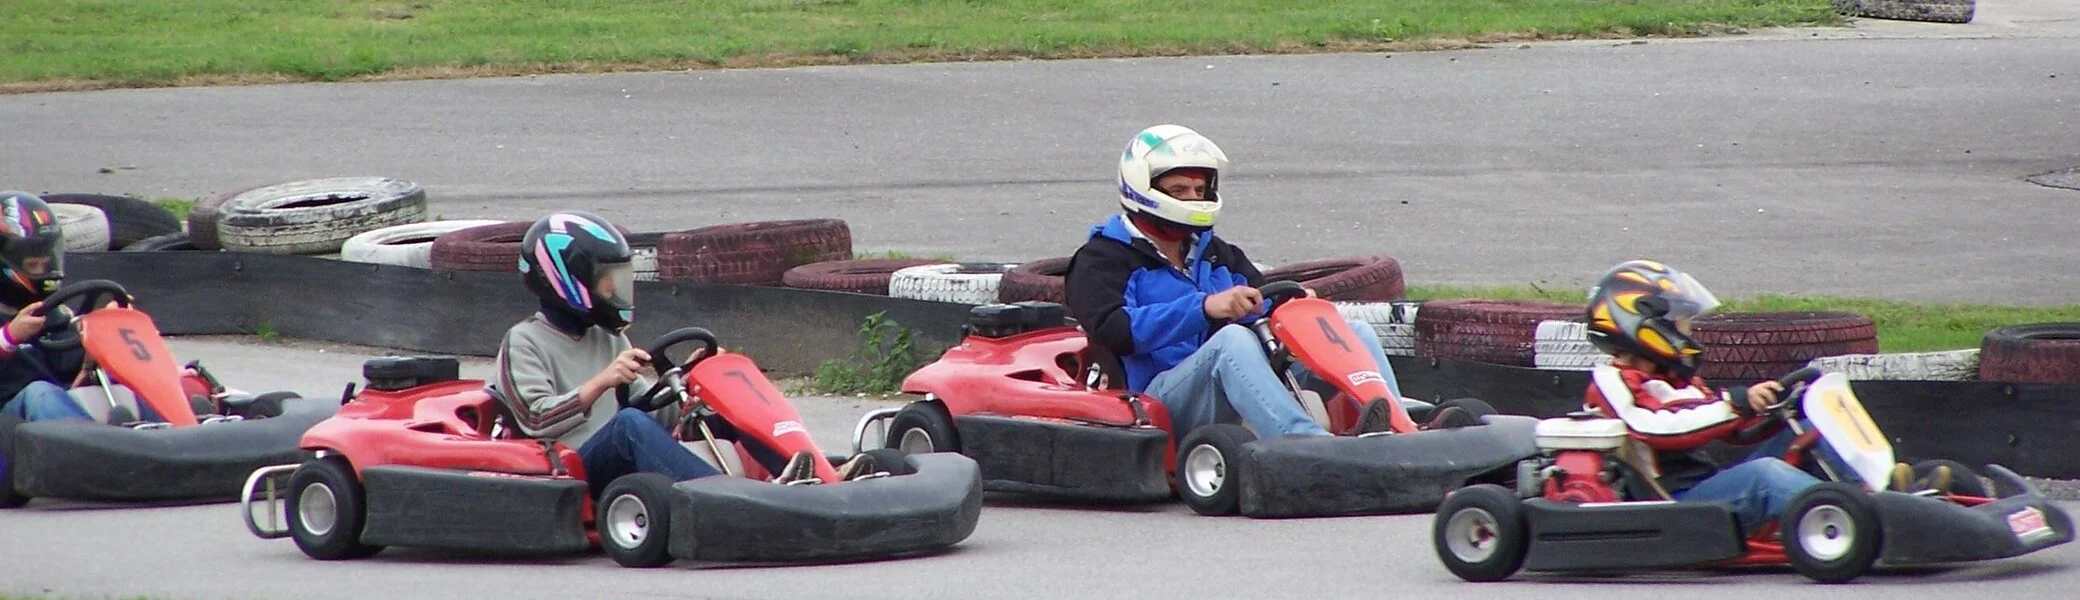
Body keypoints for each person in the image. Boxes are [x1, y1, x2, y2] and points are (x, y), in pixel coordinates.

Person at [1063, 124, 1434, 443]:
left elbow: (1262, 305)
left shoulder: (1216, 253)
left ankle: (1402, 429)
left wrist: (1296, 306)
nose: (1194, 198)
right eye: (1179, 190)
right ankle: (1305, 441)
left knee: (1349, 331)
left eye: (1199, 190)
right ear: (1142, 189)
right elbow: (1115, 331)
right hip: (1152, 400)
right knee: (1231, 340)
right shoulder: (1102, 259)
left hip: (1230, 382)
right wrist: (1204, 309)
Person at [492, 211, 872, 495]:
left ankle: (816, 477)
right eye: (606, 282)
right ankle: (724, 498)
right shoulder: (525, 341)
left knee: (721, 404)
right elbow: (535, 419)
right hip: (569, 466)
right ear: (564, 279)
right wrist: (602, 382)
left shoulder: (605, 337)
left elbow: (649, 409)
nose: (615, 291)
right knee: (628, 426)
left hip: (617, 452)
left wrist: (687, 382)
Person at [1578, 259, 1948, 533]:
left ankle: (1890, 494)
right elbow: (1653, 428)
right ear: (1642, 324)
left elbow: (1731, 431)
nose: (1689, 332)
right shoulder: (1612, 381)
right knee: (1764, 475)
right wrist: (1734, 404)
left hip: (1707, 487)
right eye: (1681, 323)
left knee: (1806, 427)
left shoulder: (1677, 378)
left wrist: (1765, 409)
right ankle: (1870, 520)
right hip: (1674, 504)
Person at [0, 190, 161, 424]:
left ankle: (172, 437)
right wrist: (10, 337)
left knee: (124, 383)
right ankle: (97, 452)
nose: (44, 272)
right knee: (40, 393)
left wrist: (106, 332)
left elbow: (71, 366)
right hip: (10, 420)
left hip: (54, 419)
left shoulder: (51, 313)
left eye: (46, 262)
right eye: (32, 265)